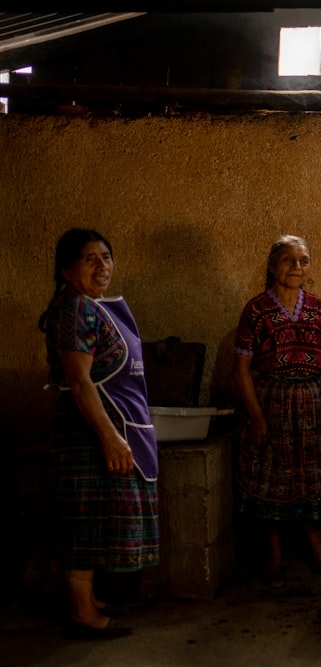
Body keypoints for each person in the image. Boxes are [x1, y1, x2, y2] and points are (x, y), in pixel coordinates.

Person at [38, 228, 159, 639]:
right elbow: (80, 381)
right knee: (83, 523)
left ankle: (86, 601)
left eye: (106, 257)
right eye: (89, 259)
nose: (102, 266)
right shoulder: (75, 309)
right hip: (87, 431)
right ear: (66, 269)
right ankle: (82, 612)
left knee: (94, 521)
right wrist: (109, 436)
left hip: (104, 426)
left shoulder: (94, 307)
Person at [233, 234, 321, 589]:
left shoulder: (317, 307)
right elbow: (241, 369)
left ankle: (317, 548)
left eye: (304, 261)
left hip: (311, 401)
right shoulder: (256, 310)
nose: (297, 267)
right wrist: (257, 417)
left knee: (313, 475)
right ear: (271, 265)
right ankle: (274, 554)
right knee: (272, 477)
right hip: (272, 401)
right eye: (288, 260)